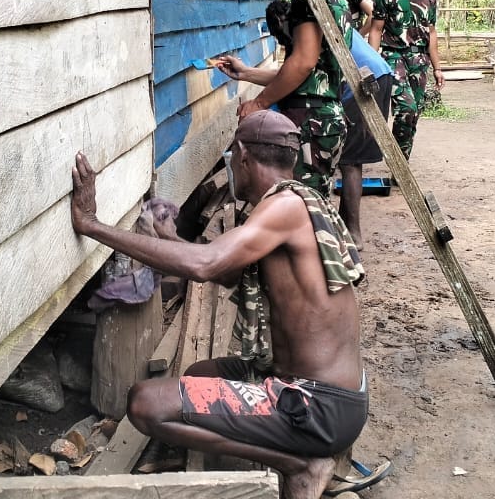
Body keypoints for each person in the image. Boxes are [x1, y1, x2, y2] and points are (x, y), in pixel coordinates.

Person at [69, 110, 368, 499]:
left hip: (316, 405)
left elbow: (205, 265)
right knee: (199, 373)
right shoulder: (301, 200)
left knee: (144, 403)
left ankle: (300, 463)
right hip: (334, 393)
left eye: (232, 158)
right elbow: (228, 271)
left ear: (242, 155)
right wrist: (171, 239)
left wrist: (92, 224)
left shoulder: (283, 208)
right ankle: (300, 447)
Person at [217, 0, 356, 198]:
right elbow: (313, 72)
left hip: (310, 119)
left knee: (301, 205)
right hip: (327, 118)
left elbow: (303, 63)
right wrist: (246, 73)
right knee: (315, 202)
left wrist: (259, 102)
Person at [372, 0, 446, 159]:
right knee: (407, 108)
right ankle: (397, 160)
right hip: (393, 56)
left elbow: (431, 32)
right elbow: (376, 30)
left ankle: (401, 163)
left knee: (414, 115)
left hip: (419, 59)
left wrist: (437, 68)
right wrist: (369, 63)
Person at [337, 29, 394, 247]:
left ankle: (353, 234)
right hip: (378, 72)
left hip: (364, 79)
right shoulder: (340, 17)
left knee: (350, 161)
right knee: (350, 159)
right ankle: (345, 225)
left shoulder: (310, 24)